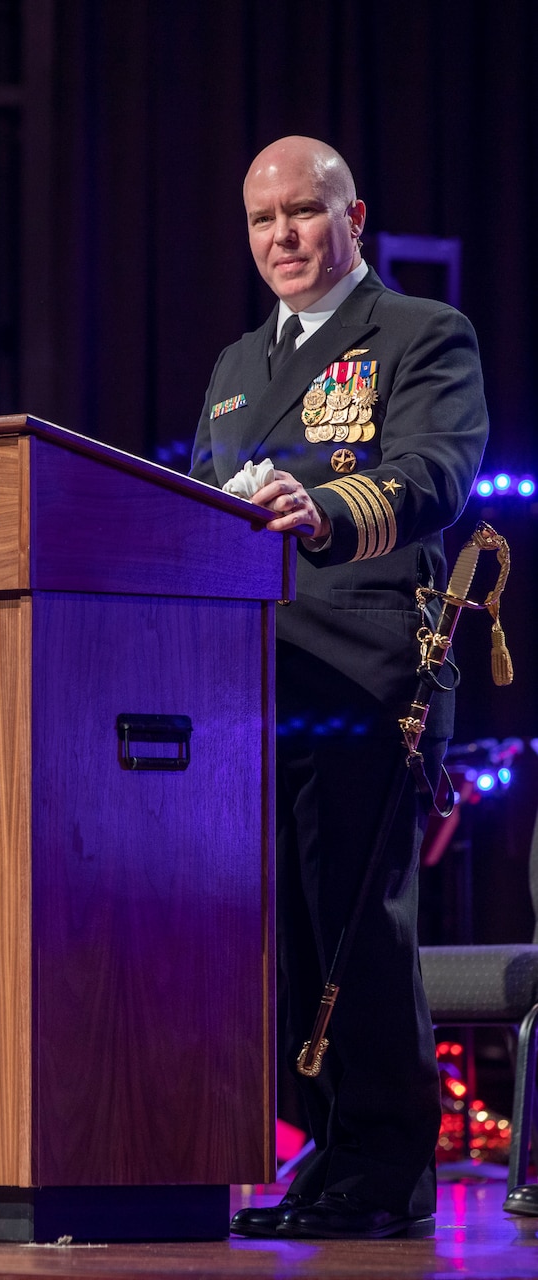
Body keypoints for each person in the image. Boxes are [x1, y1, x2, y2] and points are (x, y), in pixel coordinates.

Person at [190, 136, 488, 1240]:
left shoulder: (419, 334)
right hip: (250, 681)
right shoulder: (235, 365)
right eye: (262, 220)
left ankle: (385, 1162)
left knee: (357, 925)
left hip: (367, 671)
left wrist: (324, 508)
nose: (282, 238)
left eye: (303, 214)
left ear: (351, 216)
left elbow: (436, 469)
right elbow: (192, 500)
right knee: (281, 932)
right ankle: (323, 1146)